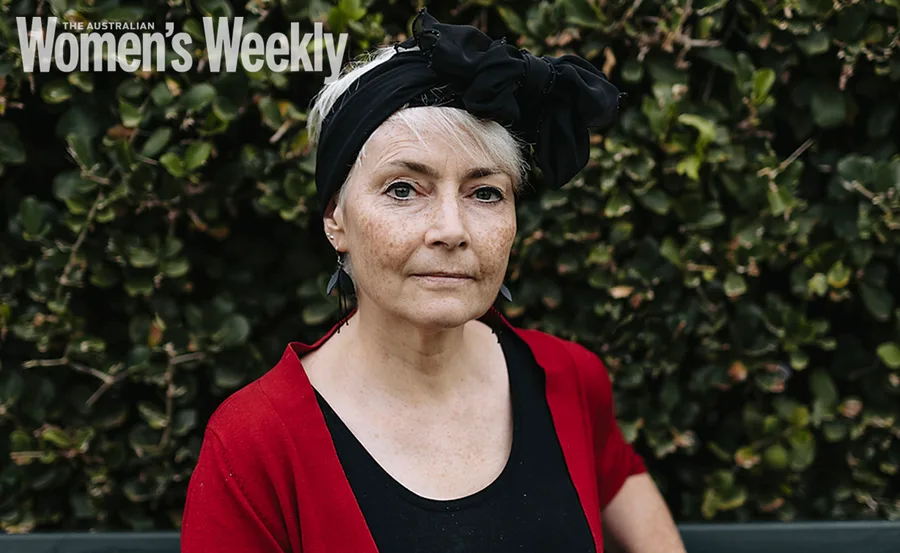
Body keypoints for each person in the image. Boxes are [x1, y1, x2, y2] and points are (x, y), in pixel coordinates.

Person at [181, 8, 687, 553]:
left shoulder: (569, 380)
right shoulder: (254, 443)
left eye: (485, 193)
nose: (451, 230)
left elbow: (626, 489)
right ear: (335, 219)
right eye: (403, 189)